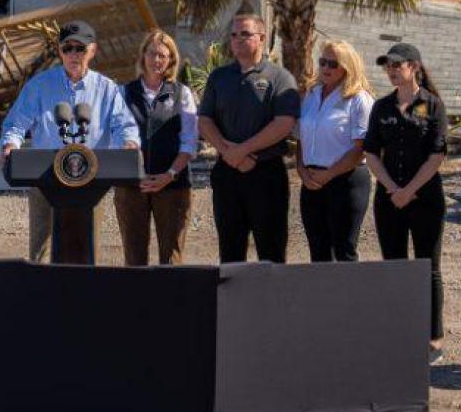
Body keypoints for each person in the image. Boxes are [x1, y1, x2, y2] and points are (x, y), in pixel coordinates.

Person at [0, 20, 139, 262]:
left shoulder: (107, 89)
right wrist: (11, 145)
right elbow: (16, 123)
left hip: (91, 180)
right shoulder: (39, 86)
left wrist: (128, 143)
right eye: (68, 48)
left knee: (87, 248)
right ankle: (43, 295)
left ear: (93, 50)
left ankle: (85, 295)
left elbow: (123, 125)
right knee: (40, 252)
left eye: (80, 48)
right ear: (59, 51)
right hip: (44, 178)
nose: (74, 54)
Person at [364, 42, 449, 361]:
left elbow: (436, 153)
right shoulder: (382, 107)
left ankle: (433, 336)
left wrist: (410, 189)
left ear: (414, 66)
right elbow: (371, 151)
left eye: (397, 65)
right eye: (387, 65)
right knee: (394, 265)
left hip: (424, 196)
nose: (391, 70)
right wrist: (391, 188)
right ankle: (398, 329)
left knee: (428, 266)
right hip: (389, 198)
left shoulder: (432, 105)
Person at [197, 13, 300, 263]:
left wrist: (243, 150)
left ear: (262, 38)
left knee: (271, 249)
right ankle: (235, 302)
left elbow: (284, 123)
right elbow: (204, 120)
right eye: (234, 35)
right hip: (227, 173)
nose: (238, 39)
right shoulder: (219, 77)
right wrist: (227, 151)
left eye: (245, 34)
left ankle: (271, 302)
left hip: (266, 173)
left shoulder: (280, 78)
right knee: (230, 250)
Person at [112, 30, 198, 266]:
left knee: (171, 258)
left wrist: (169, 175)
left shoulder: (182, 94)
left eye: (163, 55)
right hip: (131, 187)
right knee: (134, 256)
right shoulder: (123, 93)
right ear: (143, 56)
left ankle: (170, 303)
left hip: (172, 185)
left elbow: (189, 142)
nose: (157, 60)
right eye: (152, 54)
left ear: (171, 59)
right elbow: (113, 135)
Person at [295, 40, 375, 262]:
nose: (326, 68)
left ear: (347, 67)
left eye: (333, 64)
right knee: (318, 251)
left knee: (344, 251)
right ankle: (322, 297)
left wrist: (328, 175)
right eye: (322, 62)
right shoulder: (311, 95)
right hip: (311, 181)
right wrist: (301, 170)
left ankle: (348, 297)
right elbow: (301, 137)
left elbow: (361, 149)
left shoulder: (359, 99)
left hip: (345, 180)